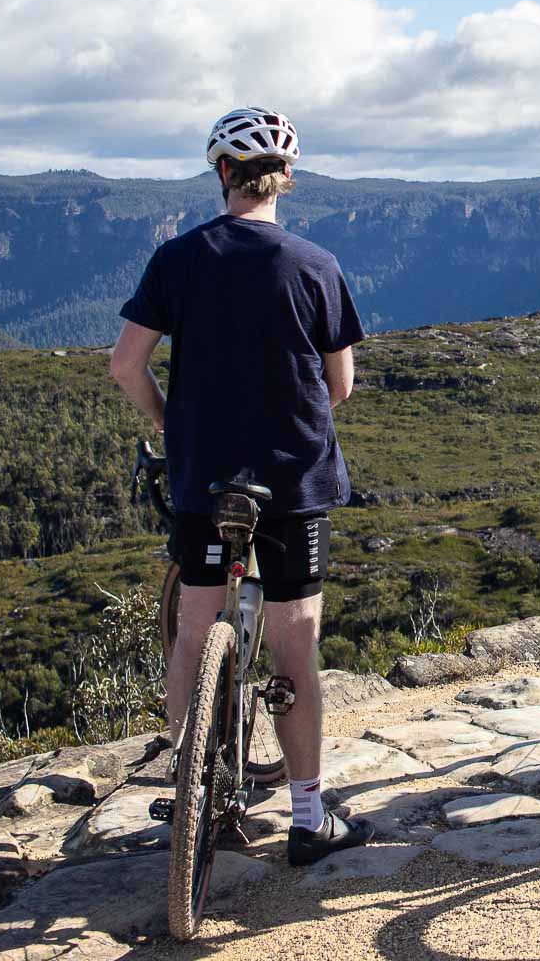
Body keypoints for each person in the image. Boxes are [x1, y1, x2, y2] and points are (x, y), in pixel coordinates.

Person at [108, 106, 371, 867]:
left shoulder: (177, 259)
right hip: (292, 481)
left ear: (221, 173)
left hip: (205, 479)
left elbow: (126, 366)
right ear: (285, 178)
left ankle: (191, 794)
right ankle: (308, 815)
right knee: (298, 642)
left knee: (194, 629)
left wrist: (173, 427)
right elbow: (341, 387)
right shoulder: (315, 265)